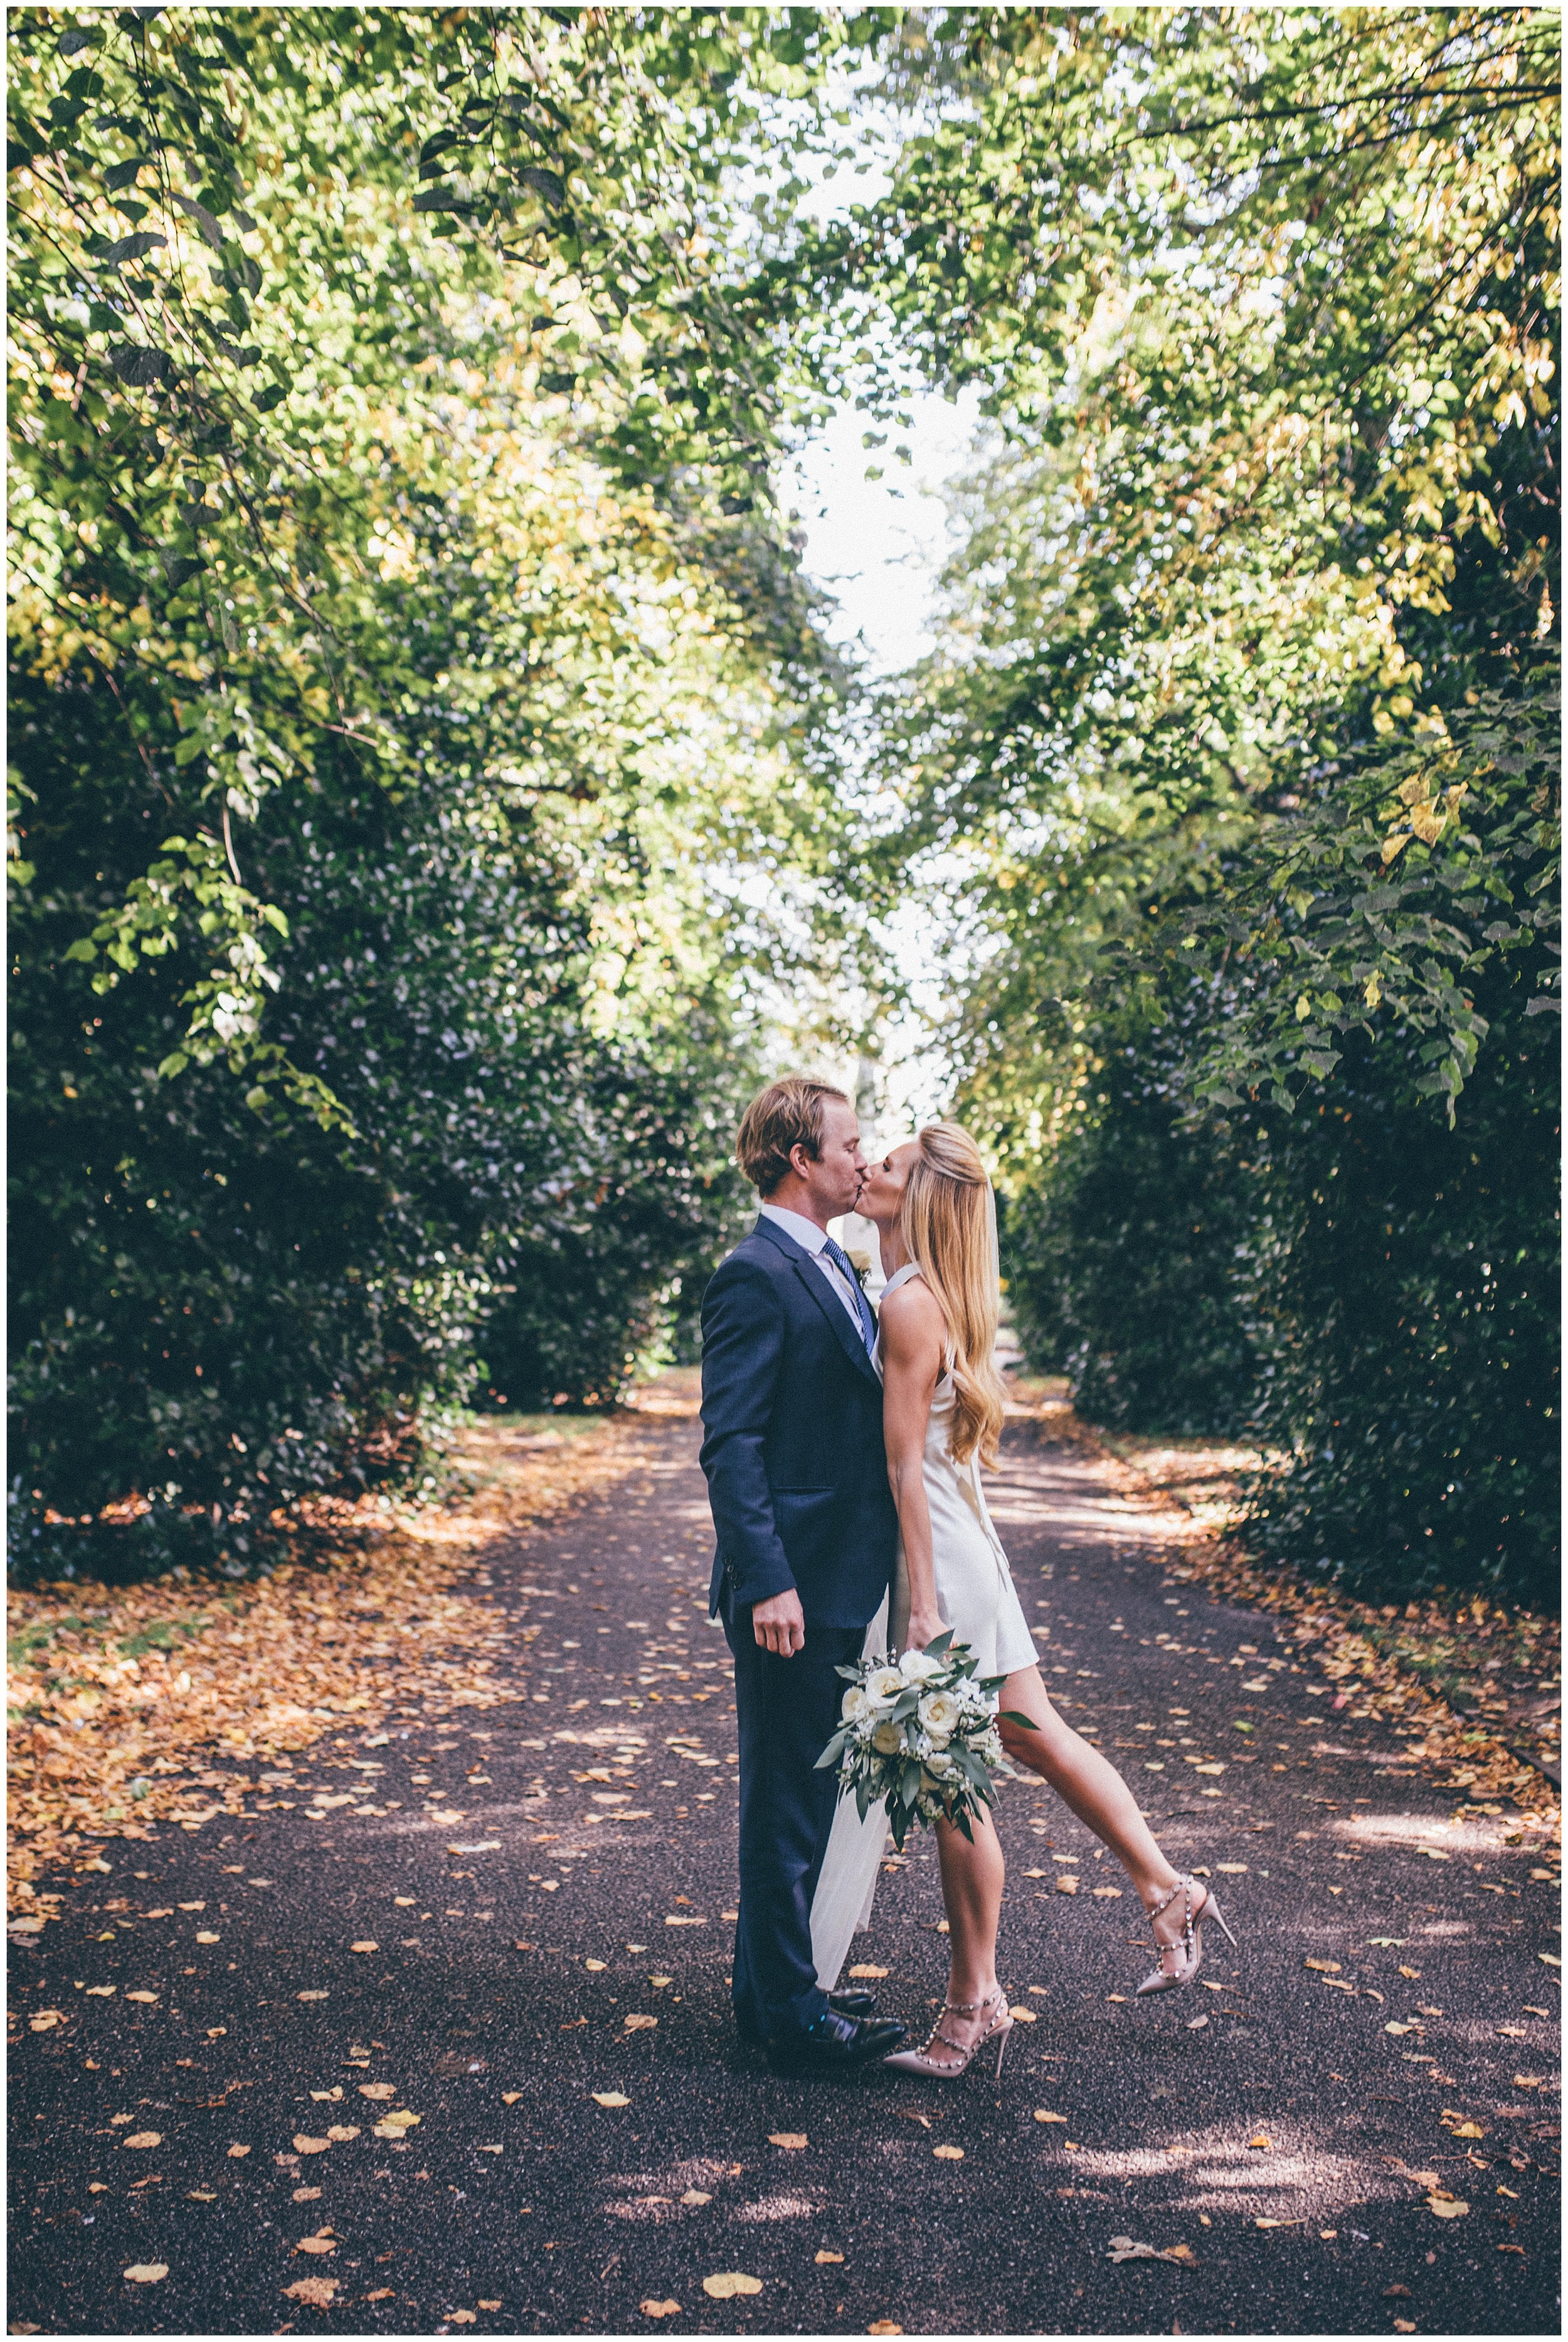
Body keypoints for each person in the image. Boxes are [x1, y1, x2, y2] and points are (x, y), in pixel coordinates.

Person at [812, 1120, 1239, 2080]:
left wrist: (920, 1604)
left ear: (924, 1197)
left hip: (942, 1566)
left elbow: (902, 1464)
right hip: (968, 1549)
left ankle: (974, 2005)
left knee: (957, 1788)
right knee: (1032, 1735)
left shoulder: (912, 1305)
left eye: (895, 1164)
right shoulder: (928, 1289)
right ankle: (1164, 1889)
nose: (872, 1164)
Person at [698, 1076, 908, 2074]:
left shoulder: (833, 1264)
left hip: (837, 1576)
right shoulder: (754, 1273)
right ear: (800, 1157)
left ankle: (771, 1986)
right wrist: (767, 1579)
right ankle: (791, 2017)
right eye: (851, 1144)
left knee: (805, 1795)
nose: (862, 1159)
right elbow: (731, 1445)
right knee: (786, 1801)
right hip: (793, 1587)